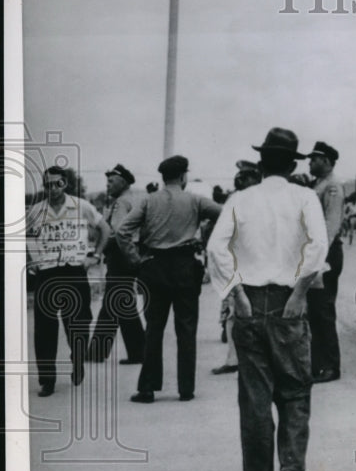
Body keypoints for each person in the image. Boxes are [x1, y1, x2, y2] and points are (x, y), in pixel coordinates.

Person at [206, 127, 328, 471]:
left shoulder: (239, 200)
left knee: (255, 399)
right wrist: (300, 293)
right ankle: (291, 469)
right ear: (292, 165)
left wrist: (236, 293)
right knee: (294, 390)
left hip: (250, 303)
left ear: (260, 164)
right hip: (288, 303)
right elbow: (318, 247)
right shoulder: (305, 198)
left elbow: (216, 248)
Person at [117, 155, 222, 402]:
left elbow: (123, 231)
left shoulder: (148, 201)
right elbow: (226, 215)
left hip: (154, 267)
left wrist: (135, 259)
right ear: (184, 176)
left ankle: (148, 387)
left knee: (154, 328)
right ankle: (186, 388)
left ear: (163, 178)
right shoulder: (196, 200)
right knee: (186, 328)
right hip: (186, 266)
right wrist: (208, 242)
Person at [26, 166, 109, 396]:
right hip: (47, 273)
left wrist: (95, 256)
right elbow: (28, 235)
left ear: (66, 184)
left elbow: (105, 229)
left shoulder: (81, 206)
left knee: (78, 323)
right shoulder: (36, 210)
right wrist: (34, 260)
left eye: (57, 183)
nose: (53, 188)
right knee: (44, 328)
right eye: (48, 184)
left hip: (74, 271)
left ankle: (78, 359)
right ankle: (47, 380)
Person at [86, 164, 146, 364]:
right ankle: (138, 352)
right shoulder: (135, 200)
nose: (107, 185)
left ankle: (99, 352)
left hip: (120, 258)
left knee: (115, 303)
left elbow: (117, 232)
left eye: (111, 181)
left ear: (123, 182)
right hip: (129, 255)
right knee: (120, 304)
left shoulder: (121, 203)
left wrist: (101, 245)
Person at [212, 160, 262, 376]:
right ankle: (234, 359)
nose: (240, 180)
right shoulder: (238, 199)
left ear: (255, 178)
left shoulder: (259, 199)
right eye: (239, 176)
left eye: (246, 176)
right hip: (238, 263)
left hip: (255, 265)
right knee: (234, 313)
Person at [306, 141, 345, 383]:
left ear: (327, 161)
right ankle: (317, 364)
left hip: (327, 254)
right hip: (318, 252)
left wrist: (320, 260)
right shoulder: (318, 185)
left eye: (314, 159)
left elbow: (331, 227)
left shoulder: (332, 187)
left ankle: (331, 366)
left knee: (324, 311)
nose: (310, 162)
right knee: (315, 312)